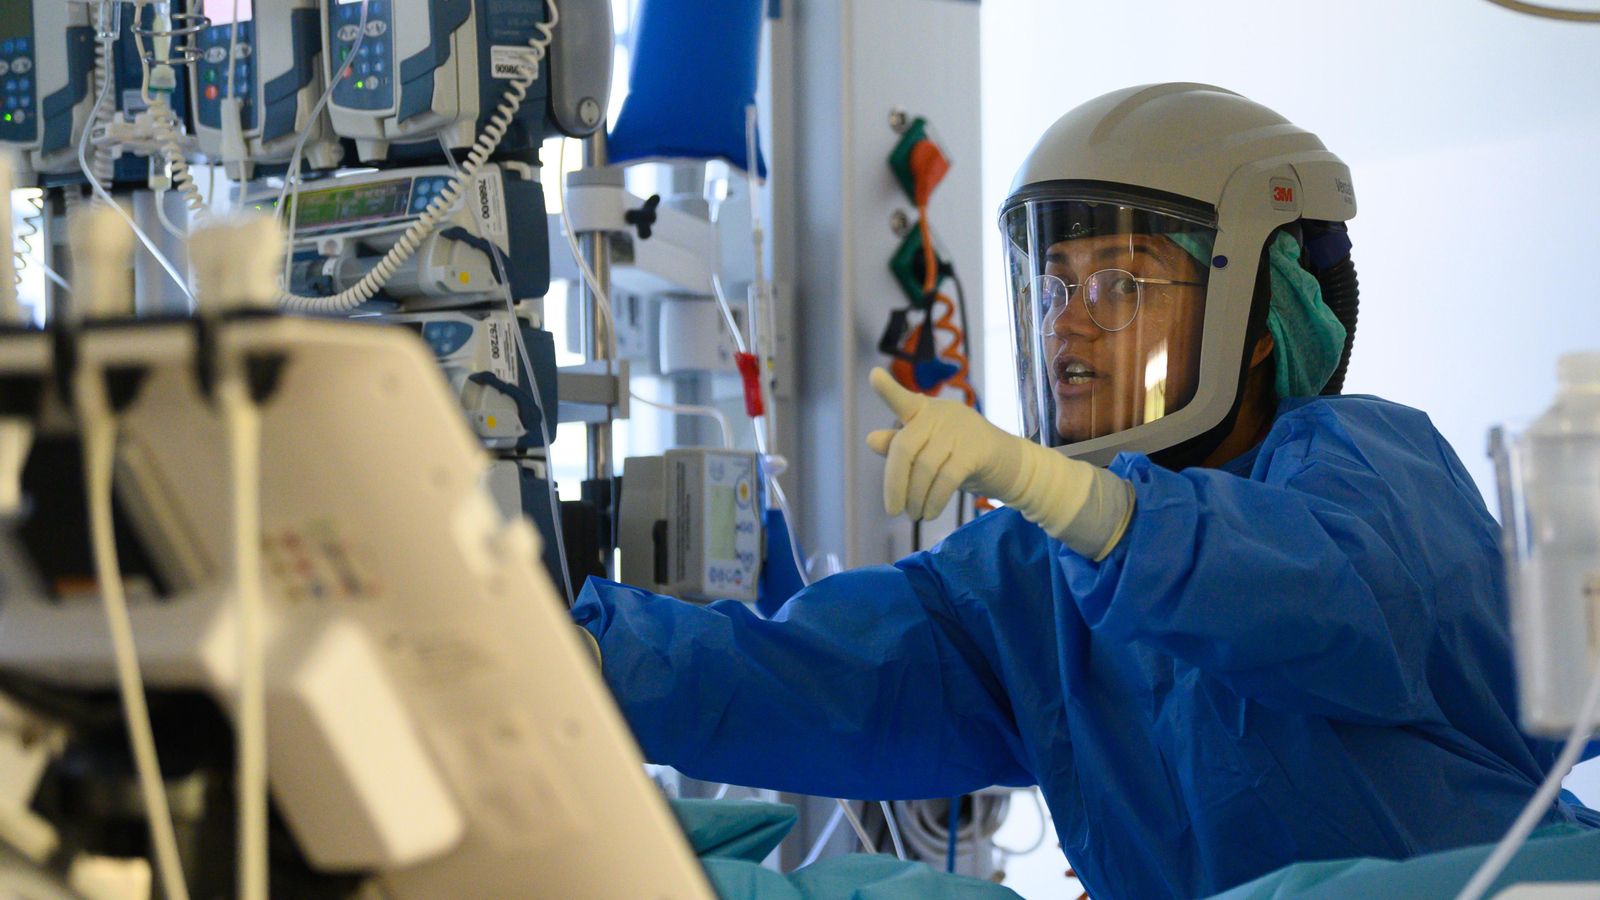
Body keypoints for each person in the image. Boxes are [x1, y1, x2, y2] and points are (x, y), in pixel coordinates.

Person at [571, 83, 1598, 899]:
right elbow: (806, 676)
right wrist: (561, 659)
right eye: (1053, 285)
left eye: (1124, 281)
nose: (1067, 324)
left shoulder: (1365, 462)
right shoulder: (1028, 573)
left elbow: (1311, 596)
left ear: (1258, 313)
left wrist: (1079, 506)